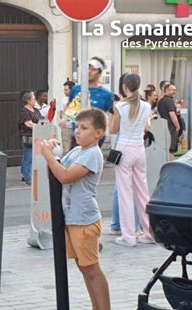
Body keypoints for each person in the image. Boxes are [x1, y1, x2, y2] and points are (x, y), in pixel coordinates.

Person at [40, 108, 111, 310]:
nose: (78, 132)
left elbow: (65, 176)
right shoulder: (77, 151)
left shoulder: (92, 154)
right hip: (72, 219)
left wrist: (47, 156)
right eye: (76, 127)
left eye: (84, 128)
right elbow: (58, 167)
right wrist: (52, 153)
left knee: (92, 269)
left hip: (85, 220)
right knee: (84, 267)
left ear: (98, 133)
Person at [109, 73, 154, 247]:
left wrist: (109, 116)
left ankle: (128, 236)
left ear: (125, 87)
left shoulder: (120, 106)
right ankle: (149, 232)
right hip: (139, 150)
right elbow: (146, 127)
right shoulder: (146, 105)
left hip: (124, 150)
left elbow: (113, 130)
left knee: (125, 193)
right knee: (143, 192)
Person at [62, 57, 114, 149]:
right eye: (88, 68)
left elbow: (110, 114)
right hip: (77, 136)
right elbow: (69, 105)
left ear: (99, 72)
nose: (89, 71)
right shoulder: (77, 89)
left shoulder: (106, 94)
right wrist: (64, 118)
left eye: (93, 69)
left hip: (95, 138)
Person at [19, 90, 42, 186]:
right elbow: (28, 123)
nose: (35, 100)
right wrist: (39, 126)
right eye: (33, 99)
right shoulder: (24, 111)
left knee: (32, 157)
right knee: (28, 157)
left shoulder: (36, 110)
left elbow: (41, 120)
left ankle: (26, 174)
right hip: (28, 136)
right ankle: (28, 177)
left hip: (36, 135)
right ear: (28, 101)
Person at [157, 83, 181, 160]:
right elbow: (172, 115)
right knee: (171, 150)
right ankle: (171, 169)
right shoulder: (169, 101)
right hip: (171, 128)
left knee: (165, 150)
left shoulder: (160, 101)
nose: (175, 92)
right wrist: (177, 126)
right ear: (167, 90)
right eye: (173, 90)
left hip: (163, 128)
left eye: (175, 90)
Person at [59, 79, 76, 154]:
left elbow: (61, 114)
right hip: (73, 126)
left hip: (68, 126)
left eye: (66, 90)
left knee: (67, 148)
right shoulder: (80, 99)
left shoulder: (64, 100)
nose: (64, 92)